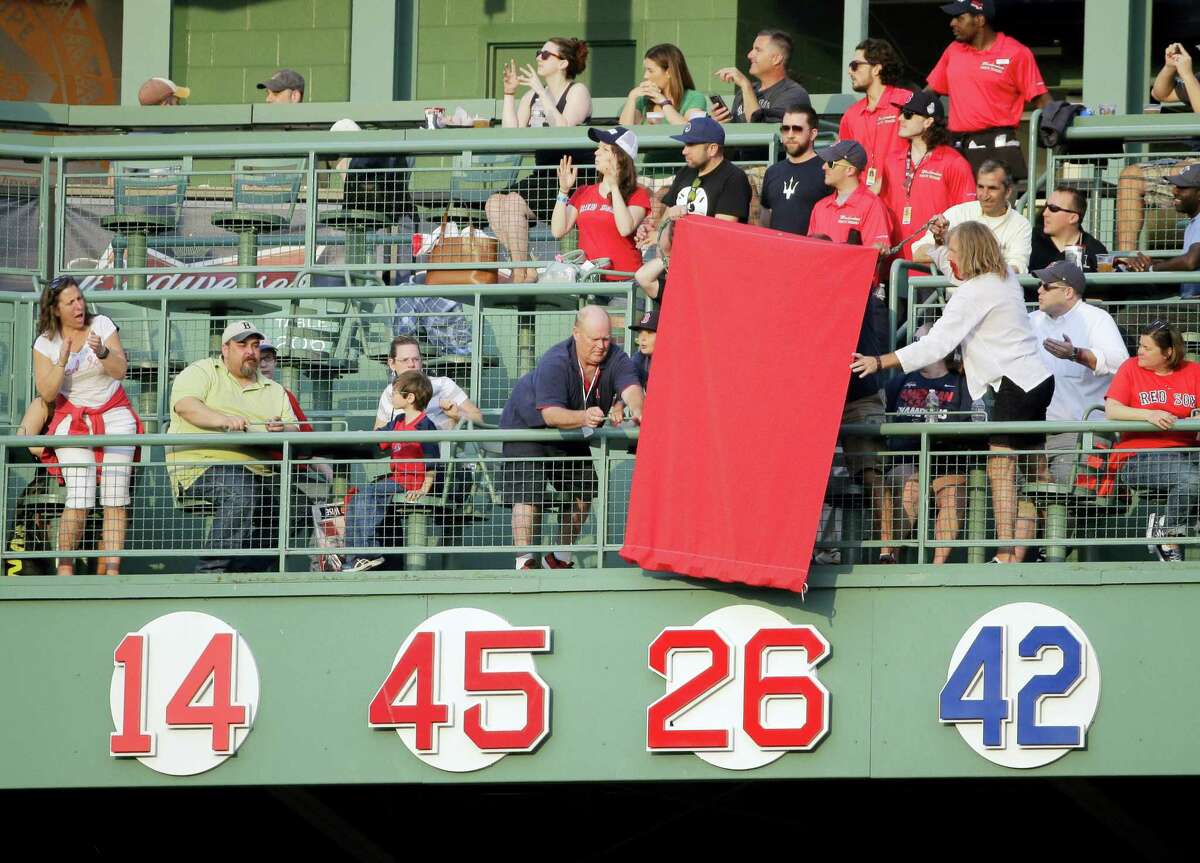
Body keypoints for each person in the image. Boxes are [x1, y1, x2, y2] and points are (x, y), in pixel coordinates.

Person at [852, 222, 1055, 564]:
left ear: (970, 254)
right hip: (1037, 380)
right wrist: (941, 241)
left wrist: (880, 361)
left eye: (955, 251)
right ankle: (1048, 543)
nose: (951, 258)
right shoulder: (1002, 275)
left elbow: (935, 345)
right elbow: (955, 272)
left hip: (1016, 383)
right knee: (1035, 471)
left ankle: (1006, 552)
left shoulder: (976, 291)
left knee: (1001, 466)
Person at [497, 305, 644, 570]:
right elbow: (552, 414)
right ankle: (525, 562)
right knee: (528, 495)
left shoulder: (616, 356)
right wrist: (584, 417)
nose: (601, 345)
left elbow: (631, 386)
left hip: (571, 430)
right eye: (594, 339)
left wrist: (639, 410)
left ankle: (559, 558)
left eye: (606, 338)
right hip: (527, 427)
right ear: (576, 333)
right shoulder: (555, 361)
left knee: (583, 489)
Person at [167, 321, 299, 574]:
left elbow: (295, 428)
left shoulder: (274, 389)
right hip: (201, 464)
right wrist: (224, 421)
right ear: (225, 349)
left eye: (255, 345)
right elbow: (186, 406)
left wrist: (283, 429)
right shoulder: (202, 371)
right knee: (242, 489)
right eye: (242, 345)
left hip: (260, 471)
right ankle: (211, 571)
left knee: (300, 500)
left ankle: (246, 571)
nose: (251, 351)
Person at [33, 276, 140, 576]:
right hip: (74, 420)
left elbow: (120, 371)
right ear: (55, 310)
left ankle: (112, 571)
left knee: (116, 498)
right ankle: (65, 571)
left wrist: (103, 353)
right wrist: (62, 359)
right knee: (79, 497)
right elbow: (48, 393)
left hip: (114, 413)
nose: (79, 306)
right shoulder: (45, 343)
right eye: (71, 302)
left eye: (80, 298)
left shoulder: (102, 324)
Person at [486, 37, 592, 283]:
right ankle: (524, 266)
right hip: (543, 176)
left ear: (563, 63)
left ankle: (520, 272)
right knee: (494, 203)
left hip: (574, 177)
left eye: (545, 55)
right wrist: (510, 94)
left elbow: (564, 128)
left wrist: (540, 92)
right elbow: (511, 137)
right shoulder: (531, 96)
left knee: (512, 203)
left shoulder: (577, 91)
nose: (538, 58)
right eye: (538, 53)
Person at [880, 323, 977, 564]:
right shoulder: (899, 383)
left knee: (952, 492)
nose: (916, 346)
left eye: (922, 341)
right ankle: (891, 556)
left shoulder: (962, 383)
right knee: (910, 486)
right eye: (914, 341)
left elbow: (970, 424)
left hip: (947, 458)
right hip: (906, 458)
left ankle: (938, 565)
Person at [1105, 321, 1200, 563]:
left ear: (1167, 352)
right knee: (1190, 478)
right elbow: (1112, 410)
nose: (1139, 352)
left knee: (1190, 473)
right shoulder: (1130, 368)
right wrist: (1149, 414)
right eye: (1140, 345)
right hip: (1139, 457)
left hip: (1187, 452)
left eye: (1147, 348)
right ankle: (1167, 536)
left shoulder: (1193, 371)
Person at [925, 0, 1050, 181]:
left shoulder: (1016, 52)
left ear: (980, 20)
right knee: (957, 208)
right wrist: (905, 109)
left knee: (996, 207)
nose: (952, 23)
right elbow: (929, 95)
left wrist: (1062, 126)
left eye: (960, 18)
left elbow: (1043, 101)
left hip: (998, 145)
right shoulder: (953, 51)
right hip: (957, 144)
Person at [1028, 261, 1128, 483]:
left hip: (1081, 433)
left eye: (1046, 286)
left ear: (1068, 292)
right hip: (1034, 433)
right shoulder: (1031, 320)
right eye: (1039, 284)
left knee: (1068, 501)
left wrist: (1077, 354)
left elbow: (1121, 364)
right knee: (1022, 501)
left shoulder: (1096, 318)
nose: (1039, 290)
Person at [343, 370, 440, 573]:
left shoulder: (424, 426)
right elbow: (380, 438)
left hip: (410, 481)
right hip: (397, 478)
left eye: (395, 393)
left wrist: (424, 488)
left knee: (369, 495)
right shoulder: (397, 422)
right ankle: (353, 556)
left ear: (410, 397)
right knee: (356, 499)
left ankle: (370, 553)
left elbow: (432, 460)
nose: (391, 396)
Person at [1116, 43, 1199, 251]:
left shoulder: (1193, 78)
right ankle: (1127, 260)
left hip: (1193, 166)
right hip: (1193, 163)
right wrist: (1171, 66)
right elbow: (1161, 93)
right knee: (1131, 176)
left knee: (1185, 169)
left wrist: (1188, 76)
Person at [879, 91, 975, 260]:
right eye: (900, 113)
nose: (900, 118)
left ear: (928, 121)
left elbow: (968, 217)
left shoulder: (954, 162)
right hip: (894, 263)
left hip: (932, 268)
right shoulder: (891, 160)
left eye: (908, 114)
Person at [551, 127, 651, 277]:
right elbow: (557, 231)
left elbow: (625, 228)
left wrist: (614, 186)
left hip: (624, 281)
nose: (596, 153)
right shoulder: (583, 192)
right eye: (598, 148)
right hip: (591, 279)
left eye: (605, 149)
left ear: (620, 157)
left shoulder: (638, 194)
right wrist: (563, 191)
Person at [911, 159, 1032, 283]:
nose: (984, 195)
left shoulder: (1020, 224)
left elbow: (1017, 268)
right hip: (955, 298)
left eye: (992, 188)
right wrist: (942, 242)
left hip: (996, 297)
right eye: (980, 187)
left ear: (1008, 192)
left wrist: (961, 255)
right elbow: (917, 253)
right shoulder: (959, 212)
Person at [840, 38, 913, 193]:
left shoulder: (905, 101)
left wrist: (882, 183)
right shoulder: (851, 115)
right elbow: (844, 162)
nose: (850, 71)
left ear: (876, 69)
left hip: (901, 196)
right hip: (864, 201)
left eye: (855, 66)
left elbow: (923, 151)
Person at [258, 340, 335, 483]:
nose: (263, 365)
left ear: (275, 362)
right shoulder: (240, 395)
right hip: (264, 473)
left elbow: (309, 446)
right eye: (258, 359)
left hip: (295, 473)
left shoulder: (286, 395)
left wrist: (333, 479)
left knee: (328, 497)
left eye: (267, 358)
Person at [1120, 163, 1200, 299]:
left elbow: (1189, 262)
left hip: (1193, 307)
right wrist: (1152, 263)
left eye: (1182, 187)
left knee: (1129, 315)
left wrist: (1151, 268)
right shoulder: (1193, 223)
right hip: (1188, 302)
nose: (1174, 191)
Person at [374, 336, 482, 432]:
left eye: (416, 359)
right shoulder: (389, 392)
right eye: (405, 360)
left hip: (438, 452)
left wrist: (457, 415)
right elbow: (377, 435)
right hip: (401, 452)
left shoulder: (443, 385)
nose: (411, 364)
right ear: (392, 364)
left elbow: (478, 418)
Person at [661, 117, 752, 223]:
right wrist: (656, 235)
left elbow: (722, 232)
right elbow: (665, 219)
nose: (684, 151)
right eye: (685, 145)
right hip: (679, 239)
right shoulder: (685, 172)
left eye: (691, 144)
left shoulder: (733, 178)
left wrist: (687, 216)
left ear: (712, 149)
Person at [759, 105, 831, 235]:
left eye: (797, 129)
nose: (790, 135)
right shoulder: (773, 171)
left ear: (813, 134)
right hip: (777, 250)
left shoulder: (827, 170)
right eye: (785, 129)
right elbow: (765, 216)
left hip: (812, 251)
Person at [806, 140, 892, 248]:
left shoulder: (872, 206)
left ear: (850, 170)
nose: (824, 167)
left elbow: (874, 255)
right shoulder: (820, 207)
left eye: (831, 163)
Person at [711, 30, 810, 124]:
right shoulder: (743, 92)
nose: (749, 55)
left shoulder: (794, 94)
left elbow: (762, 131)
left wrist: (745, 85)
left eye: (758, 50)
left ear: (776, 59)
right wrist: (723, 123)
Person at [1029, 186, 1110, 278]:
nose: (1045, 213)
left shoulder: (1094, 249)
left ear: (1073, 218)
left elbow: (1107, 286)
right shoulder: (1030, 239)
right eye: (1045, 207)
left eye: (1053, 208)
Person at [619, 43, 708, 126]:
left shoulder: (694, 98)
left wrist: (663, 101)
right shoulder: (643, 100)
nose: (645, 76)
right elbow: (623, 134)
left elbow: (691, 131)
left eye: (650, 71)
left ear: (669, 72)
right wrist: (632, 97)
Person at [629, 309, 657, 389]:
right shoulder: (639, 358)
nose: (643, 338)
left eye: (649, 333)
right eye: (640, 333)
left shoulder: (674, 363)